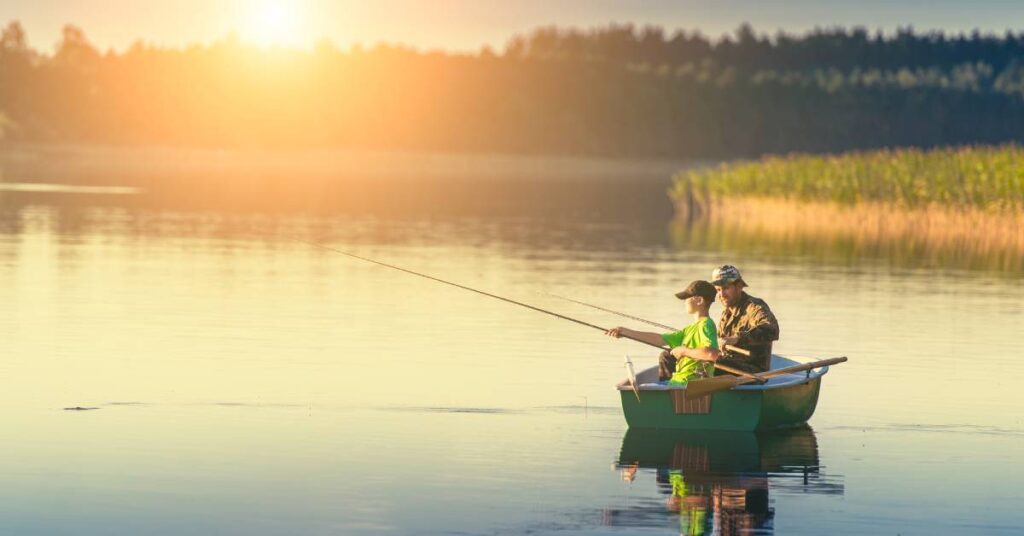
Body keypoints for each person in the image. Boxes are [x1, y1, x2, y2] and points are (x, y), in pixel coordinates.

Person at [606, 280, 718, 384]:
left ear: (699, 300)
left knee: (647, 388)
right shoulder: (689, 329)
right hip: (678, 382)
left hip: (688, 386)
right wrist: (625, 332)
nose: (684, 301)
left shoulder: (706, 324)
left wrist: (683, 351)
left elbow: (711, 354)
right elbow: (658, 339)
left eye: (686, 298)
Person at [711, 265, 779, 374]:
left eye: (726, 288)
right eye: (718, 290)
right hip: (728, 365)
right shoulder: (726, 313)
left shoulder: (754, 307)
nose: (721, 294)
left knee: (709, 363)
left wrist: (737, 338)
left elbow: (772, 330)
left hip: (753, 372)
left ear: (739, 286)